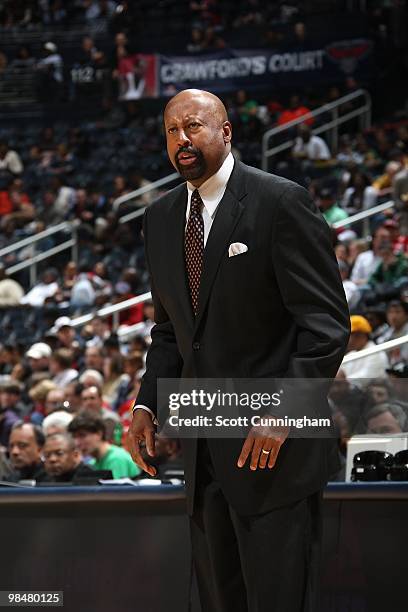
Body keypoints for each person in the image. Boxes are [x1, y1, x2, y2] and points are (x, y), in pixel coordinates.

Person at [128, 89, 350, 612]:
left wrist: (285, 409)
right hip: (204, 450)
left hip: (273, 450)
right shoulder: (159, 218)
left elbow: (325, 325)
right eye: (171, 131)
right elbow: (170, 330)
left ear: (226, 132)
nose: (182, 139)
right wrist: (146, 403)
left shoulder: (279, 201)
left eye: (194, 126)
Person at [68, 412, 140, 479]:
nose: (77, 443)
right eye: (75, 437)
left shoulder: (117, 458)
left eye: (82, 435)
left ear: (99, 434)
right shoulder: (92, 463)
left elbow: (116, 492)